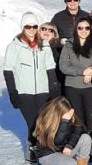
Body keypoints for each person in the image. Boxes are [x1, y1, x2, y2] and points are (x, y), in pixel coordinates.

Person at [4, 13, 59, 152]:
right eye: (28, 26)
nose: (32, 29)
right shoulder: (14, 46)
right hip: (24, 91)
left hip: (42, 90)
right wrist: (12, 92)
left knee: (42, 122)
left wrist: (53, 88)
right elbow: (8, 70)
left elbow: (50, 66)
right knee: (32, 123)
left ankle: (41, 150)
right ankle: (34, 149)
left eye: (35, 26)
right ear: (23, 27)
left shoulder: (44, 45)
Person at [59, 19, 92, 136]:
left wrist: (91, 71)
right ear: (76, 29)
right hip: (72, 86)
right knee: (77, 117)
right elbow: (63, 66)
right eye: (80, 28)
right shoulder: (69, 45)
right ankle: (79, 141)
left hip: (91, 87)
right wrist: (82, 72)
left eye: (87, 28)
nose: (83, 31)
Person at [32, 97, 92, 165]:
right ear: (58, 113)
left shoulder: (70, 117)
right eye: (66, 113)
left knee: (85, 137)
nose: (70, 115)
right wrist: (64, 122)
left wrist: (69, 145)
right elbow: (57, 142)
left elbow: (79, 130)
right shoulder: (46, 121)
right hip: (47, 154)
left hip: (62, 150)